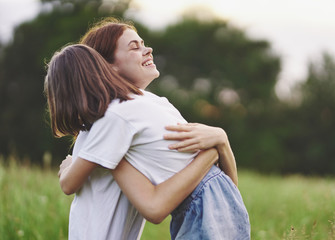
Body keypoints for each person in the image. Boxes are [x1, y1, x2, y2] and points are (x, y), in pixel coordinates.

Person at [46, 19, 250, 240]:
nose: (148, 49)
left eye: (143, 43)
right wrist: (215, 148)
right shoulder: (117, 116)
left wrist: (219, 141)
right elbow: (220, 186)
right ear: (106, 66)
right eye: (134, 47)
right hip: (214, 208)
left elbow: (220, 184)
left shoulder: (151, 105)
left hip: (215, 205)